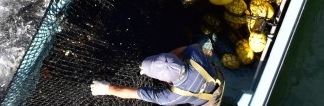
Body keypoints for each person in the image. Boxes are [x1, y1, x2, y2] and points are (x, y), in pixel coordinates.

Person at [89, 43, 223, 104]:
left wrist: (107, 88)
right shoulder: (194, 55)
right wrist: (164, 62)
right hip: (219, 79)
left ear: (166, 81)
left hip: (207, 101)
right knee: (203, 48)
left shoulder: (169, 97)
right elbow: (190, 48)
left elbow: (134, 93)